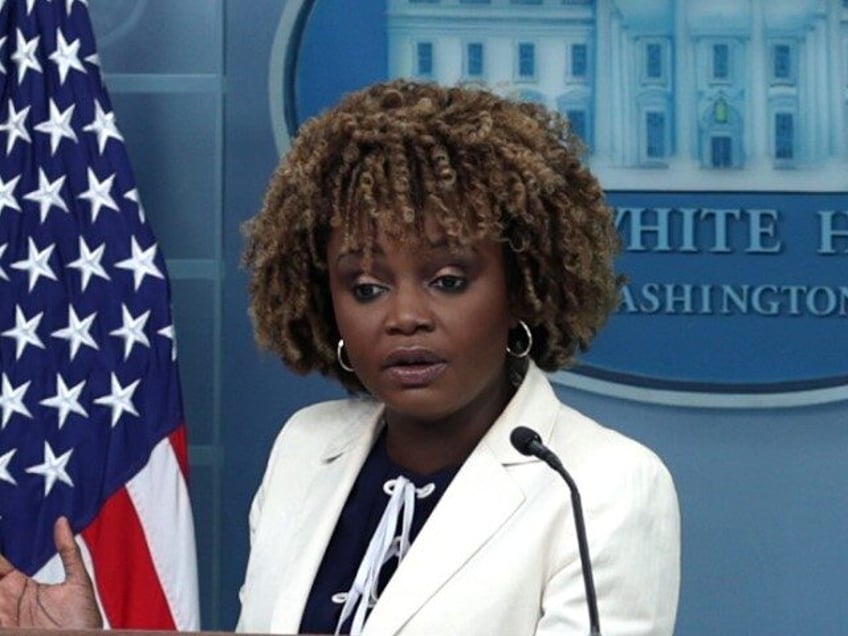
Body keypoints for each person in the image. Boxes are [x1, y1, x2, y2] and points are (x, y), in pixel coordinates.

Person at [0, 79, 680, 634]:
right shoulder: (306, 448)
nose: (404, 315)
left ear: (523, 287)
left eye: (448, 280)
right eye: (366, 286)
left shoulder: (601, 485)